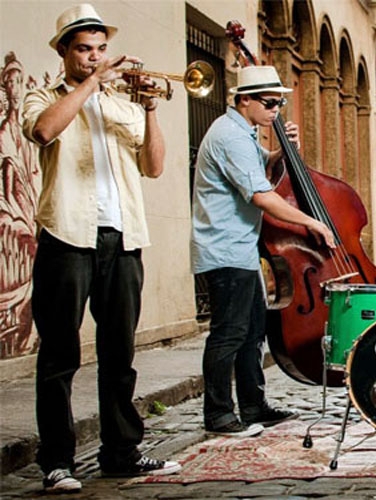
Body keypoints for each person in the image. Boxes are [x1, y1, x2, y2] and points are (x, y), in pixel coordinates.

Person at [21, 3, 182, 493]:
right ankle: (57, 463)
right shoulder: (42, 96)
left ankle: (121, 452)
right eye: (85, 50)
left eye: (101, 49)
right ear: (65, 53)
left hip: (123, 237)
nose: (95, 58)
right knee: (59, 356)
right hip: (67, 236)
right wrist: (92, 84)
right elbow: (44, 131)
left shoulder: (122, 105)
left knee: (120, 353)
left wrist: (151, 109)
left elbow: (153, 167)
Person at [191, 65, 335, 438]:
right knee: (229, 333)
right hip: (225, 249)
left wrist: (284, 150)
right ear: (244, 100)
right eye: (269, 103)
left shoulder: (244, 132)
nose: (275, 109)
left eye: (279, 102)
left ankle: (254, 406)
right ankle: (219, 415)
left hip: (241, 248)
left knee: (252, 330)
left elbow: (263, 166)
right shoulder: (230, 136)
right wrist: (312, 222)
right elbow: (260, 195)